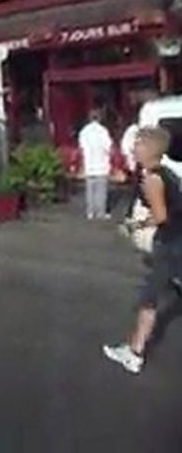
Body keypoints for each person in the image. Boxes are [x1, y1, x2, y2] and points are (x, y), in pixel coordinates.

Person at [104, 126, 182, 374]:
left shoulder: (153, 179)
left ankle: (134, 353)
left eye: (137, 144)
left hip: (170, 243)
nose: (132, 148)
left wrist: (133, 224)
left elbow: (161, 216)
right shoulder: (167, 174)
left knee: (148, 298)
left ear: (149, 149)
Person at [78, 110, 113, 220]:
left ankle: (90, 212)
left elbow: (82, 147)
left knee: (90, 190)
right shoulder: (103, 131)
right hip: (101, 164)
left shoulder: (84, 131)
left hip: (89, 164)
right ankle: (100, 212)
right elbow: (108, 146)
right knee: (101, 191)